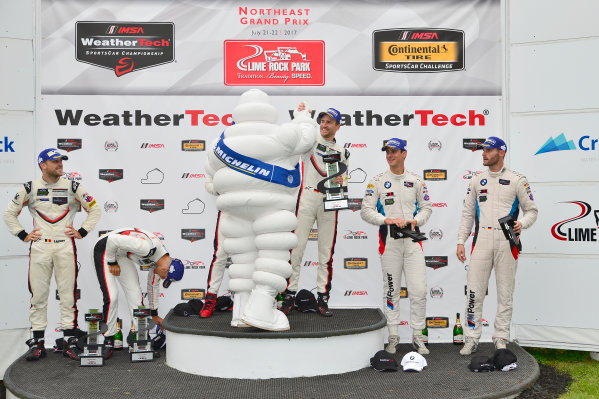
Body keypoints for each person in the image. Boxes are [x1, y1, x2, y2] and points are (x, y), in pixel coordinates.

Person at [205, 89, 317, 331]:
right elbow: (307, 139)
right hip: (272, 205)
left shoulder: (220, 142)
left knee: (243, 257)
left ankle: (240, 312)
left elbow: (211, 173)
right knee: (272, 253)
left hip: (235, 208)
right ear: (268, 111)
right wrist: (303, 118)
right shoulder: (281, 134)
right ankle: (262, 310)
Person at [3, 148, 101, 360]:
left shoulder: (73, 186)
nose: (60, 164)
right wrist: (22, 234)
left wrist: (82, 231)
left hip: (65, 246)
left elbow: (95, 209)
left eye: (61, 161)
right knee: (38, 296)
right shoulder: (30, 188)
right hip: (40, 247)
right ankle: (37, 343)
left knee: (67, 296)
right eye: (54, 161)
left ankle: (69, 341)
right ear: (43, 165)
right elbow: (9, 214)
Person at [456, 136, 538, 355]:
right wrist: (460, 241)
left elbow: (532, 210)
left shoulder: (517, 179)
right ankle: (472, 338)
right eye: (483, 150)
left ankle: (501, 337)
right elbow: (467, 214)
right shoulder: (476, 180)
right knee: (474, 291)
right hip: (481, 240)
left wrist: (522, 223)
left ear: (501, 152)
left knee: (505, 293)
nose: (484, 153)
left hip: (507, 240)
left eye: (488, 150)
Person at [360, 138, 432, 355]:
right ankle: (393, 336)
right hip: (389, 243)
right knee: (391, 291)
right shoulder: (377, 182)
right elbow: (366, 210)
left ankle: (418, 337)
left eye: (394, 151)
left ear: (404, 154)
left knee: (418, 291)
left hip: (412, 243)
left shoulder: (416, 181)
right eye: (387, 152)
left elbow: (427, 208)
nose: (390, 155)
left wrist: (415, 221)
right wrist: (386, 220)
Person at [282, 107, 349, 317]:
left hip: (331, 201)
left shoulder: (342, 151)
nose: (324, 124)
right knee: (297, 249)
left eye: (330, 122)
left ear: (337, 126)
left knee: (325, 253)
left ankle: (322, 298)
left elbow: (343, 177)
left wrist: (341, 180)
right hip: (308, 198)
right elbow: (296, 137)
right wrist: (302, 115)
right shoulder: (311, 141)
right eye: (322, 121)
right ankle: (289, 296)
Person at [91, 227, 184, 360]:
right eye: (165, 277)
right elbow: (112, 240)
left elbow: (153, 286)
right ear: (165, 269)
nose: (163, 278)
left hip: (121, 254)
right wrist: (112, 262)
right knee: (112, 296)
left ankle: (141, 339)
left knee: (135, 295)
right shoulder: (146, 248)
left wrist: (154, 314)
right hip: (105, 249)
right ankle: (108, 339)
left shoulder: (159, 262)